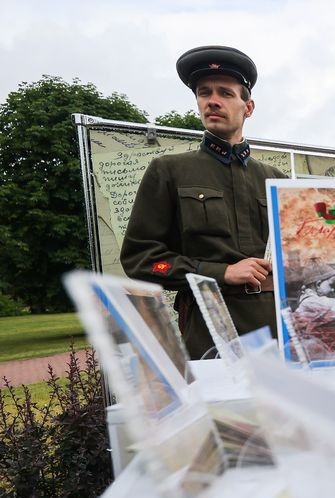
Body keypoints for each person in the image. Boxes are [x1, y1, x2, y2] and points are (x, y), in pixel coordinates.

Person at [121, 46, 287, 359]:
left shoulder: (277, 180)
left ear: (248, 107)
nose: (212, 100)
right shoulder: (169, 171)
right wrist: (220, 272)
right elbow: (141, 259)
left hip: (278, 328)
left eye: (226, 93)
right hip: (211, 330)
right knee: (224, 409)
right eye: (204, 92)